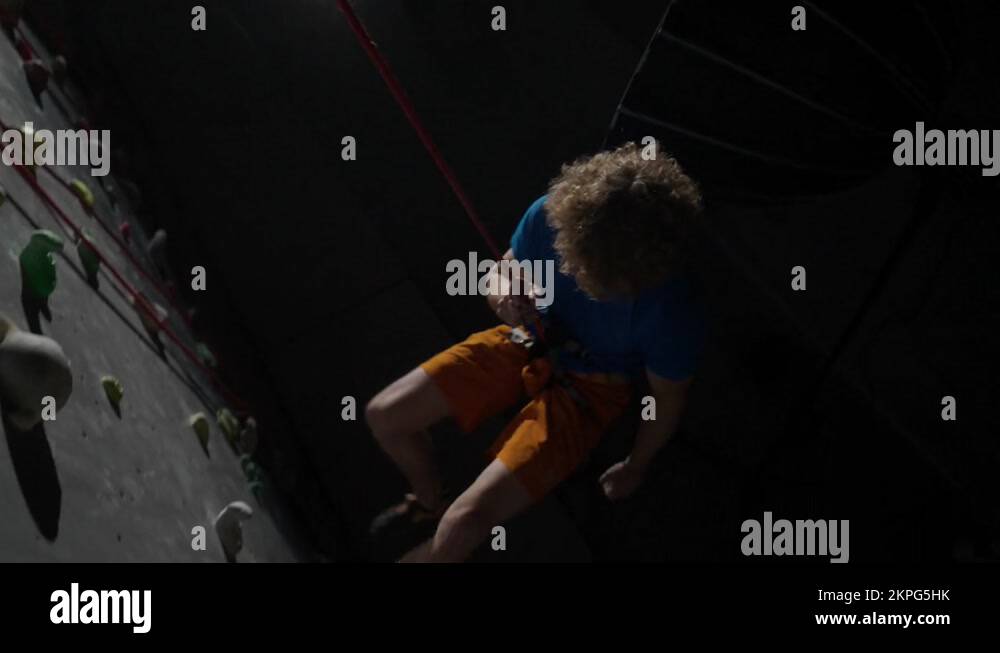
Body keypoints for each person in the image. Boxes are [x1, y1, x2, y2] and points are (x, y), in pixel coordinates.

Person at [366, 142, 705, 562]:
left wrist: (636, 465)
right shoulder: (553, 215)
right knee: (386, 415)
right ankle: (429, 501)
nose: (567, 272)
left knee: (462, 528)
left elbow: (665, 400)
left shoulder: (668, 313)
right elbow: (502, 271)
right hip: (531, 336)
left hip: (590, 389)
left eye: (585, 272)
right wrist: (504, 296)